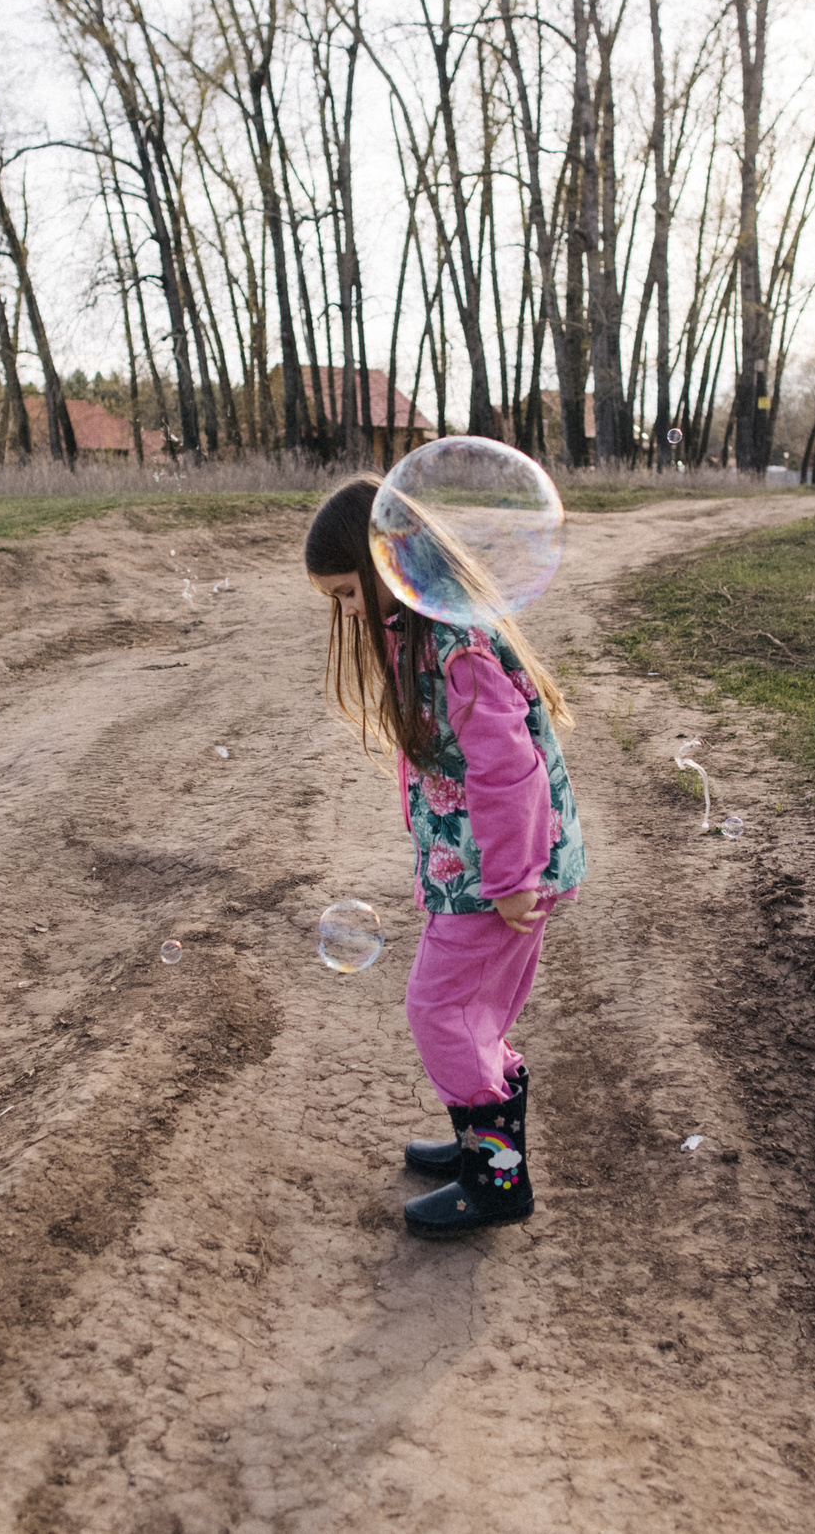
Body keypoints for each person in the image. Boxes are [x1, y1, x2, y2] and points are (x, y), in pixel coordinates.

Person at [303, 475, 585, 1237]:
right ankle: (481, 1149)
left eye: (345, 594)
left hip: (497, 877)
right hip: (483, 871)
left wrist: (513, 878)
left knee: (438, 1010)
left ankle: (497, 1181)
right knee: (477, 1013)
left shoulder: (457, 649)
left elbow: (509, 768)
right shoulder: (421, 629)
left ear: (384, 563)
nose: (346, 611)